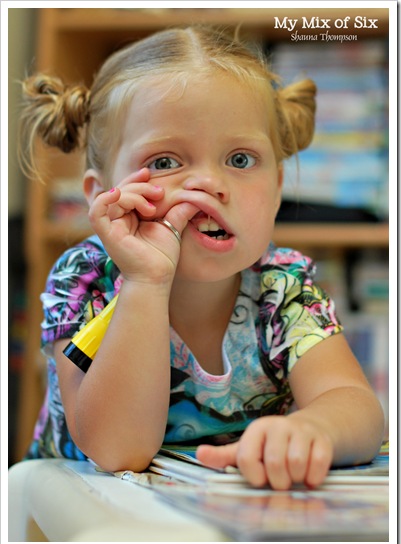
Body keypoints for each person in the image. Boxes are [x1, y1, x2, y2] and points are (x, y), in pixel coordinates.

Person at [19, 26, 384, 490]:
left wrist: (315, 429)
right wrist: (146, 281)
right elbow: (116, 451)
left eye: (240, 159)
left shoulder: (283, 285)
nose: (209, 184)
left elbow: (356, 407)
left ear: (276, 189)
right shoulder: (86, 278)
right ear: (102, 194)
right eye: (166, 162)